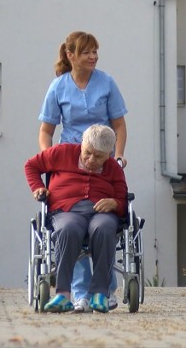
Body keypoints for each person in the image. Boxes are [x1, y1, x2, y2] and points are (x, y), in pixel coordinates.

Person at [37, 31, 128, 312]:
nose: (93, 56)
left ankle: (105, 291)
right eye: (87, 52)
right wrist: (50, 161)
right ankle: (78, 293)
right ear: (71, 55)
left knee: (102, 223)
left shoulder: (107, 83)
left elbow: (119, 125)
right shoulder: (58, 87)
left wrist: (119, 155)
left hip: (102, 158)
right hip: (71, 160)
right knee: (72, 221)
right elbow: (46, 130)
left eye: (95, 51)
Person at [24, 124, 127, 313]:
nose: (91, 160)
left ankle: (100, 294)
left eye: (99, 157)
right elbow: (31, 166)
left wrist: (114, 203)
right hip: (65, 211)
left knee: (104, 228)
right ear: (82, 143)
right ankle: (63, 295)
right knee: (67, 229)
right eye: (88, 153)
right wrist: (38, 187)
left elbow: (122, 198)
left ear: (109, 154)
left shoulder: (113, 168)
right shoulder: (61, 153)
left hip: (101, 213)